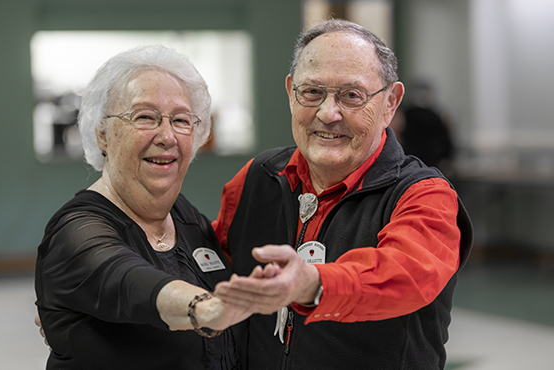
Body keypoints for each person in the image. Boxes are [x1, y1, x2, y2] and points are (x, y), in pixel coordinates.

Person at [212, 19, 473, 370]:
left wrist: (313, 283)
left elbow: (405, 274)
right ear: (291, 93)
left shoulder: (424, 195)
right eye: (312, 92)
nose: (328, 114)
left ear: (390, 103)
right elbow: (211, 263)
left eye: (352, 95)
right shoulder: (259, 176)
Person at [34, 45, 251, 369]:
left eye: (180, 120)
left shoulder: (185, 217)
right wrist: (204, 309)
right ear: (103, 134)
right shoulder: (75, 232)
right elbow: (128, 282)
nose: (167, 136)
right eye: (145, 117)